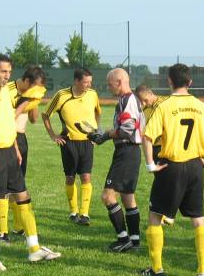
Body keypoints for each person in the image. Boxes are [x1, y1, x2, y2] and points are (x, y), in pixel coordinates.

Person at [0, 53, 60, 270]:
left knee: (23, 197)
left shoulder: (7, 91)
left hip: (11, 151)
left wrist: (16, 148)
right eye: (3, 71)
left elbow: (10, 120)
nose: (7, 76)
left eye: (9, 72)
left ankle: (34, 248)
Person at [141, 63, 204, 276]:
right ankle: (202, 271)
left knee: (155, 216)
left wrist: (151, 165)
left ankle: (157, 269)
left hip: (170, 166)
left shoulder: (164, 106)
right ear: (190, 82)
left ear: (169, 81)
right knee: (198, 219)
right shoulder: (203, 107)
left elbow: (147, 137)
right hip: (195, 168)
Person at [87, 68, 144, 252]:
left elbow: (127, 129)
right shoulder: (131, 99)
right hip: (132, 152)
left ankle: (123, 238)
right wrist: (104, 135)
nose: (109, 87)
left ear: (119, 82)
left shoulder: (127, 100)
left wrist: (105, 135)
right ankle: (134, 241)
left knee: (107, 196)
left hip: (126, 152)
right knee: (128, 197)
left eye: (110, 84)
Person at [42, 68, 101, 226]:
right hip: (68, 142)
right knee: (70, 177)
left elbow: (97, 112)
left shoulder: (93, 94)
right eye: (85, 82)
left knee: (86, 176)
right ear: (76, 81)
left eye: (90, 82)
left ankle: (84, 214)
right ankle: (73, 211)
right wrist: (53, 135)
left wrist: (95, 132)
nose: (89, 85)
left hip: (87, 142)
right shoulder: (61, 95)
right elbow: (45, 114)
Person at [0, 66, 47, 242]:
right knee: (3, 186)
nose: (35, 91)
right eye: (33, 87)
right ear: (26, 81)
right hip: (7, 138)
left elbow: (33, 119)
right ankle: (2, 231)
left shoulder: (31, 94)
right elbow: (5, 119)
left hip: (22, 139)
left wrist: (34, 103)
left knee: (18, 185)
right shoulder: (7, 90)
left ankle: (18, 227)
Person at [134, 84, 174, 226]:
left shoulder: (165, 103)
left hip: (166, 148)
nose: (144, 103)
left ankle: (168, 214)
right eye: (142, 101)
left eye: (145, 100)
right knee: (163, 181)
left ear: (151, 93)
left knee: (168, 182)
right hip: (153, 149)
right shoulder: (144, 109)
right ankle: (166, 214)